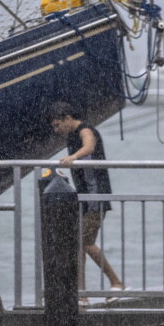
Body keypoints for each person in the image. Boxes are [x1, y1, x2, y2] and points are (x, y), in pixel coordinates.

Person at [48, 101, 125, 291]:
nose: (56, 130)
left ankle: (116, 282)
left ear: (67, 118)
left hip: (96, 197)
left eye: (58, 125)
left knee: (85, 242)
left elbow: (89, 146)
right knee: (79, 243)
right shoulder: (71, 136)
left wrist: (73, 157)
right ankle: (81, 292)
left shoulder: (85, 130)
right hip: (84, 198)